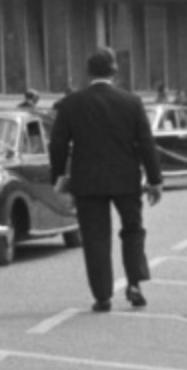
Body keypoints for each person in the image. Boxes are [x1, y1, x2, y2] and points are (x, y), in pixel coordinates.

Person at [49, 45, 164, 313]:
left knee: (95, 237)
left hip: (88, 182)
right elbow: (147, 143)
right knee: (133, 229)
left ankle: (102, 295)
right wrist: (155, 180)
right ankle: (134, 283)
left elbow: (58, 144)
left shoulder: (72, 103)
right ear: (115, 72)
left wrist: (58, 176)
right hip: (126, 179)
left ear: (88, 72)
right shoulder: (132, 102)